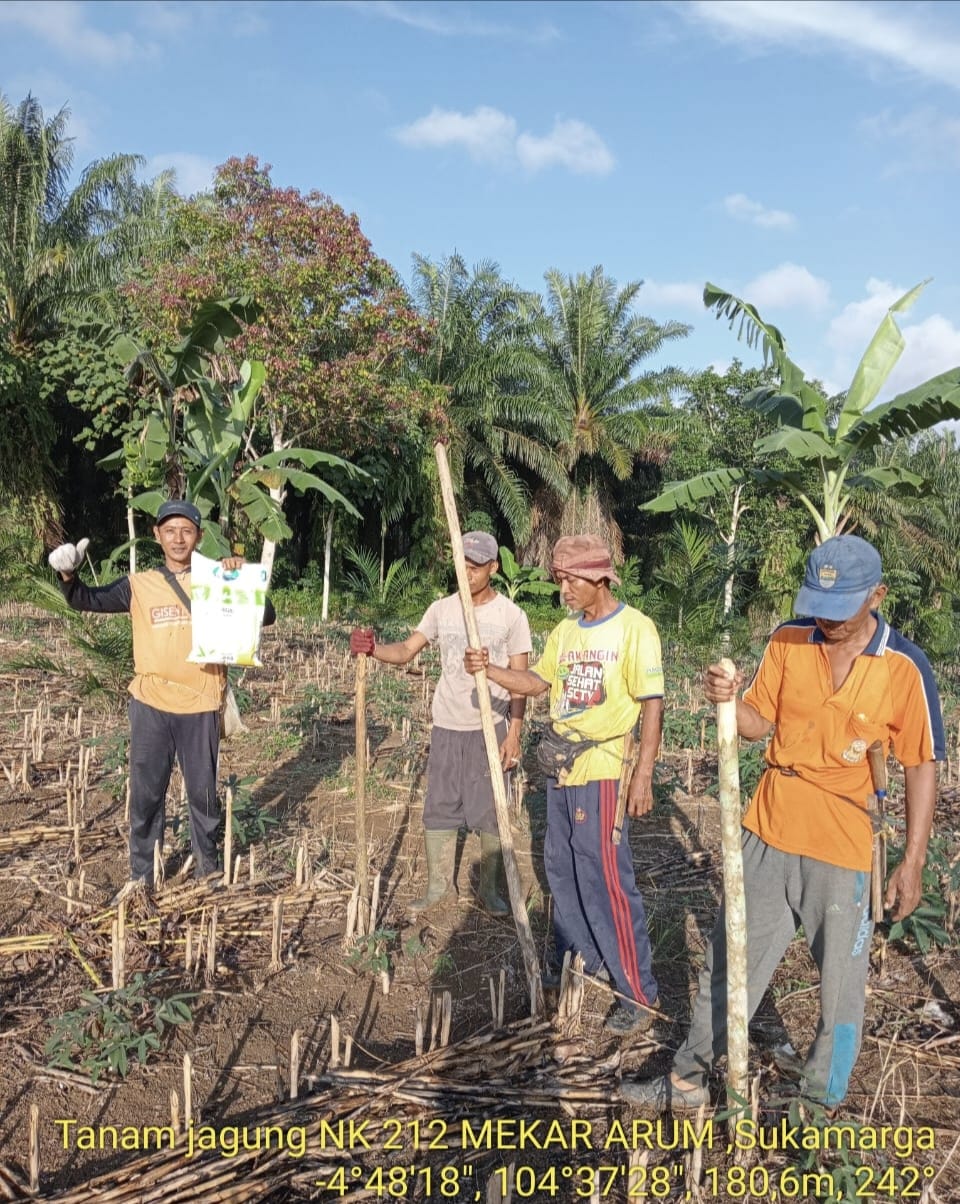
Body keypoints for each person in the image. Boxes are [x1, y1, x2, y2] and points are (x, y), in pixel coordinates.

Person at [622, 534, 944, 1112]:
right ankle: (688, 1079)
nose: (829, 620)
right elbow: (753, 722)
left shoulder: (905, 667)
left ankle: (820, 1106)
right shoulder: (789, 639)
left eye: (843, 607)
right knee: (731, 959)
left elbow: (921, 764)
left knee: (840, 991)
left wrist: (913, 860)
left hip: (845, 843)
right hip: (768, 829)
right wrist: (727, 698)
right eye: (820, 603)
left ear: (878, 595)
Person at [464, 534, 665, 1036]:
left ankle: (638, 993)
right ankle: (585, 957)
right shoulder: (565, 631)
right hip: (560, 767)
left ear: (600, 578)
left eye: (572, 580)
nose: (564, 590)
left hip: (601, 770)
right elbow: (538, 682)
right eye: (559, 581)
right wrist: (488, 669)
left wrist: (643, 773)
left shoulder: (635, 629)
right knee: (561, 868)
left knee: (607, 880)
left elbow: (652, 704)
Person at [48, 499, 276, 891]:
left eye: (187, 531)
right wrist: (68, 575)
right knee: (147, 795)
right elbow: (85, 599)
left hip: (201, 703)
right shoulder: (139, 585)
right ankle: (143, 876)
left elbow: (266, 615)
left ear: (199, 537)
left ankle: (209, 872)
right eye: (169, 530)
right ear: (156, 535)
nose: (178, 538)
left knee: (204, 797)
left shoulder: (216, 579)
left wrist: (240, 579)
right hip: (151, 705)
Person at [349, 531, 531, 915]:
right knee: (440, 807)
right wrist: (373, 649)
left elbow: (521, 682)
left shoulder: (510, 616)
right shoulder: (441, 609)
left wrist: (514, 733)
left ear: (493, 569)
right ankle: (437, 888)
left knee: (490, 810)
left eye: (475, 568)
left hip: (491, 725)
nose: (466, 574)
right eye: (461, 566)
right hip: (447, 725)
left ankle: (490, 892)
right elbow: (405, 651)